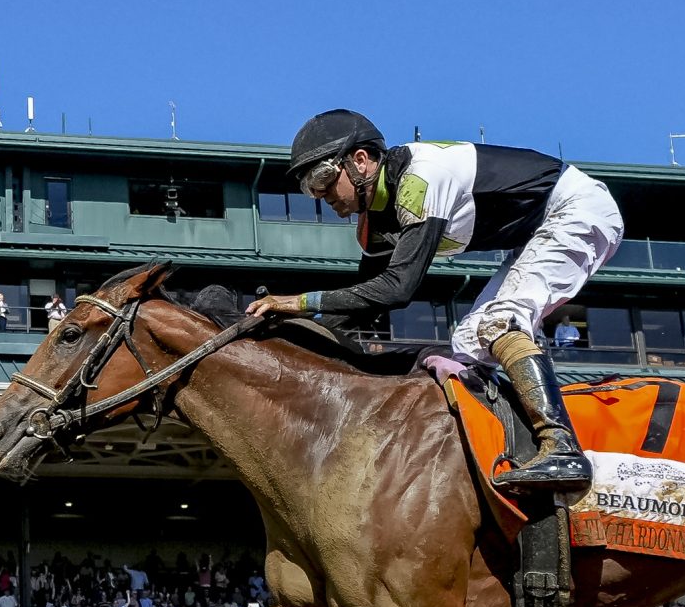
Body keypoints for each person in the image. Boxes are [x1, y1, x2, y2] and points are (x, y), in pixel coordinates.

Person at [249, 110, 625, 489]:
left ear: (360, 161)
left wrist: (298, 303)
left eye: (323, 179)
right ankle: (508, 444)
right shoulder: (377, 221)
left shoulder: (418, 179)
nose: (321, 197)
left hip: (576, 210)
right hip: (538, 230)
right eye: (309, 189)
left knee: (499, 321)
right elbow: (364, 304)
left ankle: (562, 448)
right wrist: (288, 336)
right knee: (466, 344)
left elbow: (398, 289)